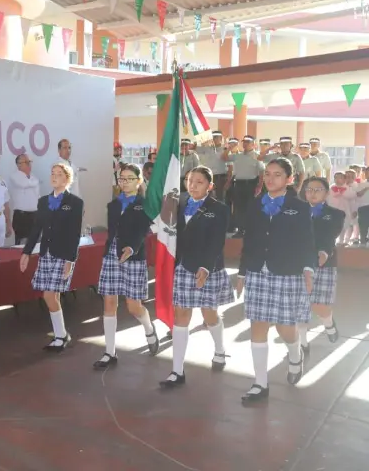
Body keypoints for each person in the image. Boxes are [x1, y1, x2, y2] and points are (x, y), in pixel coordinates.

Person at [236, 157, 315, 406]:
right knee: (258, 325)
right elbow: (249, 241)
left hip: (287, 271)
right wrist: (241, 273)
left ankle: (294, 354)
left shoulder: (299, 207)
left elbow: (307, 240)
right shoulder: (255, 204)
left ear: (289, 179)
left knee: (284, 327)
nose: (270, 179)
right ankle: (260, 382)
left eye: (277, 174)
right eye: (267, 174)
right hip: (258, 270)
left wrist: (308, 270)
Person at [159, 166, 233, 389]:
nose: (193, 185)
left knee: (209, 314)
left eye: (199, 182)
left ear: (210, 186)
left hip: (206, 266)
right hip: (182, 266)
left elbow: (217, 241)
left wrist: (206, 266)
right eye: (190, 181)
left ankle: (220, 349)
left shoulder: (219, 209)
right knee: (181, 316)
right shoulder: (177, 203)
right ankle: (177, 370)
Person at [94, 164, 157, 370]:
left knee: (133, 306)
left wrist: (132, 248)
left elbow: (143, 231)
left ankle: (148, 327)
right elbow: (113, 232)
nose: (125, 182)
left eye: (130, 178)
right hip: (112, 256)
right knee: (109, 303)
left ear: (139, 182)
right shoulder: (113, 205)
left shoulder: (144, 204)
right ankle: (109, 352)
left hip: (133, 256)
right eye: (122, 178)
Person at [19, 163, 83, 352]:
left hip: (63, 254)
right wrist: (26, 252)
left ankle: (61, 335)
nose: (54, 177)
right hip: (46, 253)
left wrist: (71, 260)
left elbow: (74, 234)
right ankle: (61, 334)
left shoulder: (75, 203)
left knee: (49, 295)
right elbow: (36, 229)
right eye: (52, 174)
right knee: (50, 295)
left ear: (67, 179)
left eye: (59, 174)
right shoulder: (43, 201)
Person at [299, 177, 344, 355]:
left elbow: (329, 236)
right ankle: (302, 344)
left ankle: (329, 324)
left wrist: (324, 252)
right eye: (309, 189)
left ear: (326, 193)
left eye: (318, 189)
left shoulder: (336, 214)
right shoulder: (296, 213)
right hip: (300, 264)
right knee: (300, 305)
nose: (313, 193)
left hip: (324, 263)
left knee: (320, 306)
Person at [222, 135, 263, 238]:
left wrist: (260, 186)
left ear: (254, 144)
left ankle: (250, 230)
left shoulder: (257, 156)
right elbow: (224, 157)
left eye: (248, 142)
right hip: (239, 184)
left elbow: (262, 172)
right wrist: (230, 148)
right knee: (239, 208)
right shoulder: (238, 155)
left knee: (250, 208)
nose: (245, 144)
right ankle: (240, 230)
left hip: (251, 184)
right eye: (244, 142)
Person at [9, 153, 40, 244]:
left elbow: (37, 195)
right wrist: (32, 182)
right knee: (22, 245)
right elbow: (24, 184)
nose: (29, 164)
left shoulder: (33, 177)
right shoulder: (14, 176)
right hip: (22, 217)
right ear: (18, 165)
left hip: (35, 215)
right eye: (26, 162)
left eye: (29, 162)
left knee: (36, 244)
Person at [196, 131, 231, 203]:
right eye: (212, 137)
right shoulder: (207, 148)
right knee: (207, 199)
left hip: (220, 178)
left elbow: (230, 167)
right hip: (209, 178)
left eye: (216, 137)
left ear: (221, 138)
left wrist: (228, 181)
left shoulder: (225, 150)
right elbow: (194, 147)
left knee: (220, 200)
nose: (214, 139)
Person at [327, 172, 356, 246]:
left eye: (340, 177)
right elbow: (327, 199)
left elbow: (352, 198)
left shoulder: (348, 188)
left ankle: (342, 240)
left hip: (344, 211)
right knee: (333, 226)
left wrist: (354, 210)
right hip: (333, 211)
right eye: (335, 177)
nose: (337, 179)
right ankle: (331, 241)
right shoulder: (331, 188)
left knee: (343, 226)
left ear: (344, 179)